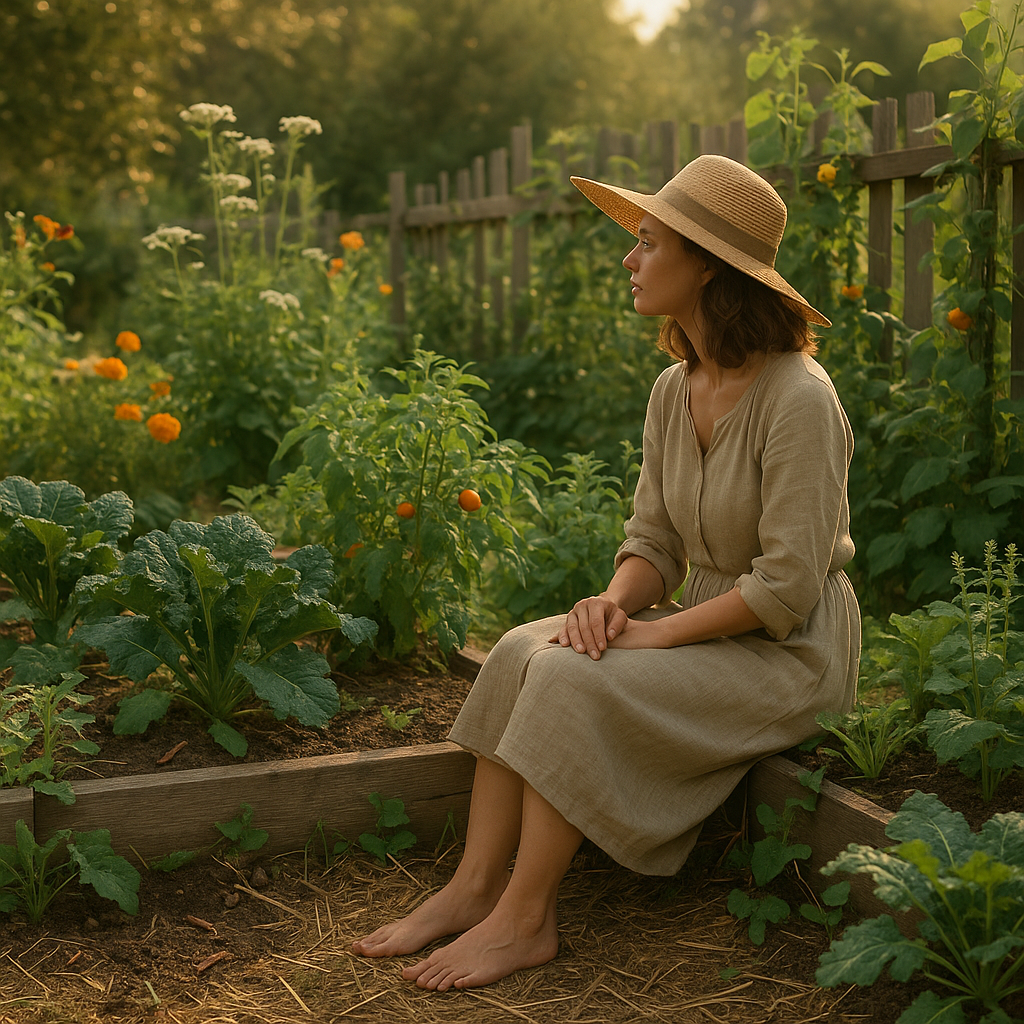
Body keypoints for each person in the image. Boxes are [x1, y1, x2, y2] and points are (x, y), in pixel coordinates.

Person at [351, 154, 861, 992]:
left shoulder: (799, 396)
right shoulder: (675, 388)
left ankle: (525, 919)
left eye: (649, 242)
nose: (628, 258)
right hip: (707, 623)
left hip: (791, 655)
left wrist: (655, 637)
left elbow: (786, 588)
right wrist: (613, 602)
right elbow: (654, 540)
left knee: (569, 680)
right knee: (523, 647)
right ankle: (473, 888)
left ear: (708, 266)